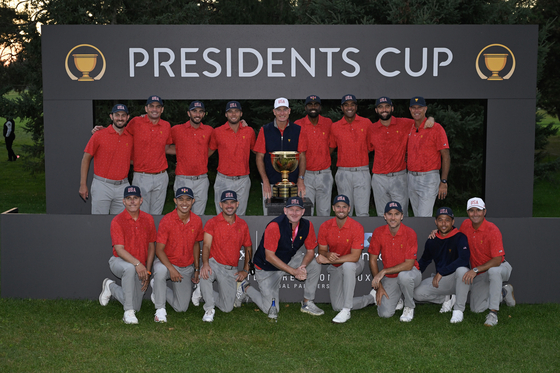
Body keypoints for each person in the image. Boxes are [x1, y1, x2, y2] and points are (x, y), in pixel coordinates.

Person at [237, 196, 324, 317]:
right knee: (271, 310)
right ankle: (245, 288)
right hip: (267, 268)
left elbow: (310, 251)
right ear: (285, 211)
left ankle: (307, 303)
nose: (294, 213)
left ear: (303, 211)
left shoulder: (307, 225)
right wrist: (294, 272)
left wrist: (302, 267)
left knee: (314, 264)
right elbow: (269, 256)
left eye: (298, 210)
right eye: (291, 209)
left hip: (289, 260)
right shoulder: (275, 226)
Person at [368, 97, 435, 216]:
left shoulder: (405, 123)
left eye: (387, 106)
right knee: (382, 214)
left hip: (399, 177)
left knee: (401, 214)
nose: (384, 109)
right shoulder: (371, 129)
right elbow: (368, 149)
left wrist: (431, 118)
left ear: (392, 108)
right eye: (380, 107)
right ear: (376, 110)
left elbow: (420, 119)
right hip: (379, 178)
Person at [98, 185, 156, 324]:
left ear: (141, 200)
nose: (132, 202)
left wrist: (147, 271)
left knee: (137, 305)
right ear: (123, 201)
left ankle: (110, 287)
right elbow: (119, 250)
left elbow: (151, 247)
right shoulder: (117, 220)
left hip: (140, 267)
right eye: (128, 199)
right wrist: (137, 264)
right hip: (119, 261)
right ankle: (128, 313)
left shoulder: (148, 219)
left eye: (135, 198)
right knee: (129, 268)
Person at [316, 195, 376, 323]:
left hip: (355, 264)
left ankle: (347, 310)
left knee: (348, 265)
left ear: (349, 209)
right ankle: (371, 298)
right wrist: (327, 254)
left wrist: (329, 260)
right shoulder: (325, 226)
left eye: (344, 207)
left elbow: (355, 257)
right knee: (337, 306)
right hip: (336, 267)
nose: (341, 209)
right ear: (333, 208)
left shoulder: (357, 227)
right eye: (338, 206)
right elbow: (321, 250)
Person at [150, 187, 203, 323]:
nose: (184, 203)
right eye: (180, 199)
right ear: (175, 201)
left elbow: (197, 244)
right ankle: (160, 310)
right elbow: (159, 250)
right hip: (166, 263)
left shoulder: (197, 221)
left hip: (186, 266)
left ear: (193, 201)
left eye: (187, 199)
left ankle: (156, 286)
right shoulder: (167, 220)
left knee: (181, 308)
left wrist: (197, 268)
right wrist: (171, 269)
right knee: (161, 271)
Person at [460, 197, 515, 326]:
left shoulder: (492, 230)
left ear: (484, 211)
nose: (475, 214)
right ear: (468, 213)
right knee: (476, 309)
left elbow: (497, 260)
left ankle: (493, 314)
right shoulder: (465, 225)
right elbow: (454, 236)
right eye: (471, 211)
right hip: (481, 272)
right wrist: (439, 232)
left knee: (494, 272)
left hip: (500, 266)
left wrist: (475, 270)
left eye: (478, 210)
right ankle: (504, 291)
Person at [199, 190, 252, 322]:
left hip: (231, 269)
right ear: (220, 205)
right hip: (214, 263)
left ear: (237, 204)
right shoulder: (213, 222)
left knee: (227, 308)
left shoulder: (242, 225)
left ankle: (203, 293)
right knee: (205, 274)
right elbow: (206, 245)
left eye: (232, 202)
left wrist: (246, 269)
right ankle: (209, 309)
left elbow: (248, 247)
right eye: (226, 202)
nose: (229, 205)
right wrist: (205, 264)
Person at [414, 207, 471, 323]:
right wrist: (413, 273)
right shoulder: (432, 240)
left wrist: (442, 272)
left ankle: (458, 310)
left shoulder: (460, 237)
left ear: (453, 222)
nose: (444, 223)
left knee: (462, 270)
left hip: (459, 279)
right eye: (440, 220)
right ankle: (447, 297)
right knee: (416, 293)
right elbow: (424, 260)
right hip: (442, 281)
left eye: (447, 220)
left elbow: (464, 259)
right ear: (436, 222)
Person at [369, 201, 422, 322]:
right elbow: (372, 259)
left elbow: (409, 265)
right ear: (385, 216)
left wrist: (384, 271)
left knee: (404, 276)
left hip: (411, 273)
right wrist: (379, 287)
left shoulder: (410, 233)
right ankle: (398, 298)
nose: (393, 218)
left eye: (396, 214)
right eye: (390, 214)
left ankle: (409, 306)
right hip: (391, 277)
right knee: (385, 314)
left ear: (402, 216)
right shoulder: (378, 232)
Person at [255, 97, 307, 215]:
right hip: (271, 183)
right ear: (274, 112)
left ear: (289, 111)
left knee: (293, 218)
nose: (282, 113)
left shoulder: (298, 130)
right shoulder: (265, 130)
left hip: (293, 183)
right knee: (271, 217)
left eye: (285, 109)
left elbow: (302, 156)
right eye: (279, 110)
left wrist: (300, 179)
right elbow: (259, 157)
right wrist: (265, 181)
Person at [80, 104, 133, 214]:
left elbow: (131, 159)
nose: (120, 118)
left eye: (123, 115)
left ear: (128, 117)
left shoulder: (130, 137)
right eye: (117, 115)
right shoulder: (99, 135)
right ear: (111, 116)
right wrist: (82, 184)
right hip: (102, 186)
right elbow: (86, 159)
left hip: (123, 186)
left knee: (120, 225)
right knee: (98, 223)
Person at [128, 95, 173, 215]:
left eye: (158, 107)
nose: (155, 109)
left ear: (162, 110)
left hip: (161, 176)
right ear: (146, 108)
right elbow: (120, 134)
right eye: (151, 106)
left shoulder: (166, 125)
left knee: (157, 214)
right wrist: (101, 130)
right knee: (141, 214)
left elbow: (166, 147)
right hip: (141, 176)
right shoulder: (136, 122)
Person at [166, 101, 213, 216]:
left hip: (201, 179)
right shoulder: (177, 129)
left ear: (203, 114)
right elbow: (165, 147)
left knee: (198, 216)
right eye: (194, 111)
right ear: (188, 113)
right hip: (183, 178)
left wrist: (201, 156)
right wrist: (182, 153)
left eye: (200, 112)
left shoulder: (209, 130)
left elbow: (214, 146)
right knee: (181, 215)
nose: (197, 114)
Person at [209, 101, 256, 216]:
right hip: (223, 180)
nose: (233, 114)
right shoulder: (217, 132)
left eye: (236, 111)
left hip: (243, 180)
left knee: (239, 216)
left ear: (241, 113)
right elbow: (208, 152)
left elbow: (256, 151)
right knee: (221, 216)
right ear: (226, 114)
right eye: (230, 111)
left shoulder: (249, 131)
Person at [329, 94, 372, 217]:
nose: (349, 107)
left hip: (362, 171)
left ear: (356, 107)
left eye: (352, 105)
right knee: (344, 212)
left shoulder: (366, 123)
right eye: (346, 105)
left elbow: (370, 146)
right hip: (343, 173)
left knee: (363, 212)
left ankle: (361, 236)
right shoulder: (335, 126)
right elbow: (331, 147)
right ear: (342, 108)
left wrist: (358, 153)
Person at [407, 96, 450, 217]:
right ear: (410, 109)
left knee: (423, 216)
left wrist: (444, 181)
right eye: (413, 108)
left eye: (419, 108)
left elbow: (446, 156)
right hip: (411, 178)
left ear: (425, 109)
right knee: (417, 217)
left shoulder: (436, 128)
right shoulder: (409, 126)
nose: (416, 110)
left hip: (429, 178)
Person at [294, 95, 333, 216]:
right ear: (305, 107)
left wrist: (323, 156)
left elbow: (331, 146)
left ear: (320, 107)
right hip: (306, 175)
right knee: (305, 213)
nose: (313, 107)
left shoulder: (328, 123)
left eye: (316, 104)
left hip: (324, 174)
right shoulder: (298, 124)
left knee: (324, 212)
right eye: (310, 104)